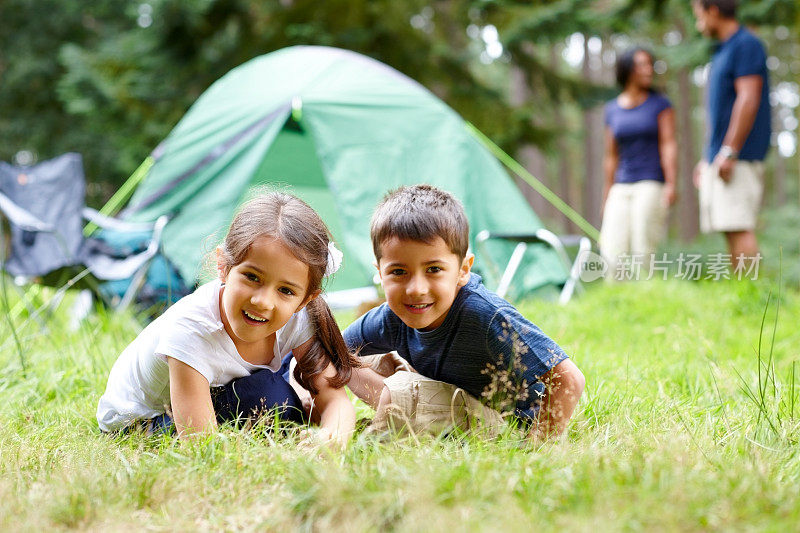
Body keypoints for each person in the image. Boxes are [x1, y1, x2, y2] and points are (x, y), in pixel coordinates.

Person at [97, 192, 358, 447]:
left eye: (286, 290)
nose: (263, 302)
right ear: (223, 266)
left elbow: (335, 400)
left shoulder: (299, 317)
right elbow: (201, 445)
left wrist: (330, 440)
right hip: (141, 422)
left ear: (305, 300)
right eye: (252, 277)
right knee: (272, 399)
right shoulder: (192, 331)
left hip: (219, 387)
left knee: (279, 395)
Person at [344, 185, 585, 441]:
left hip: (503, 420)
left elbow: (569, 379)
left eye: (434, 269)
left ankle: (394, 420)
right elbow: (334, 346)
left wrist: (538, 446)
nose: (416, 289)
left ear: (463, 270)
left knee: (396, 389)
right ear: (380, 273)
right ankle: (398, 416)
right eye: (399, 272)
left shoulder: (486, 315)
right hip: (448, 396)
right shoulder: (390, 316)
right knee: (346, 358)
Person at [692, 0, 770, 269]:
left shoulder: (745, 44)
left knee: (739, 225)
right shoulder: (723, 51)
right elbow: (719, 114)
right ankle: (742, 295)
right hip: (723, 155)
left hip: (740, 155)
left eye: (698, 14)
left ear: (712, 10)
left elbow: (748, 98)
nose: (697, 22)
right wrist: (708, 157)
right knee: (729, 226)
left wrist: (729, 151)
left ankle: (752, 299)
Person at [600, 47, 678, 277]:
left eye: (649, 64)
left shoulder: (660, 104)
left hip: (651, 181)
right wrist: (607, 192)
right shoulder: (612, 109)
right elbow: (611, 155)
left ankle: (646, 297)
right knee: (611, 249)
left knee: (643, 247)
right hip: (622, 184)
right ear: (628, 70)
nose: (648, 69)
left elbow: (669, 144)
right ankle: (617, 300)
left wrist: (671, 183)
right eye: (641, 64)